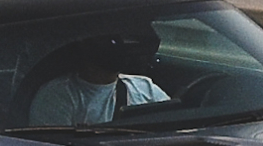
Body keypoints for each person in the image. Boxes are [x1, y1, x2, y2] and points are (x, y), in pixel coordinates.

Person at [25, 33, 170, 127]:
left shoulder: (145, 88)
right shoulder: (56, 95)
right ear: (86, 48)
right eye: (106, 41)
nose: (115, 45)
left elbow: (173, 122)